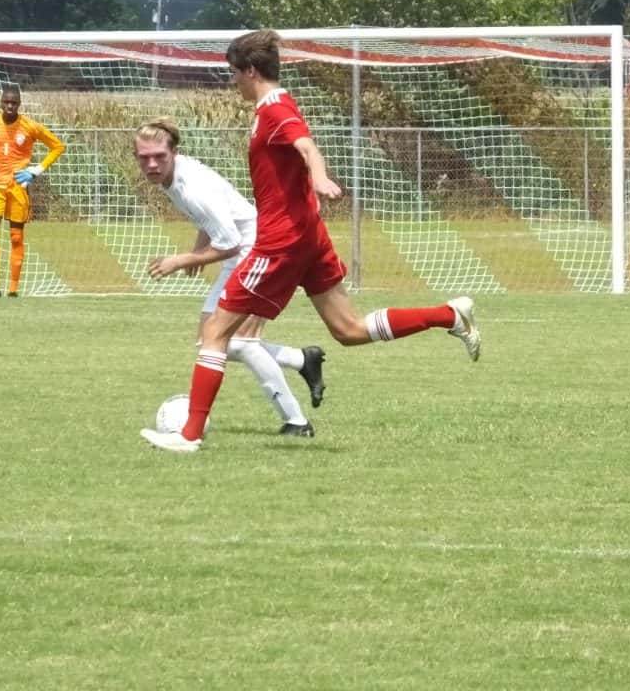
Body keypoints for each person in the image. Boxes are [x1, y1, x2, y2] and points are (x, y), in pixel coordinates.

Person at [140, 30, 480, 453]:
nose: (234, 81)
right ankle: (449, 314)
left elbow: (306, 146)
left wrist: (318, 177)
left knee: (215, 333)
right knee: (349, 330)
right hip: (307, 236)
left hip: (280, 242)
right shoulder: (270, 108)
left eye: (234, 73)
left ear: (250, 71)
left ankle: (188, 436)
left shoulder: (275, 108)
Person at [134, 118, 326, 436]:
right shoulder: (176, 175)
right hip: (242, 251)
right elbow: (210, 220)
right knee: (211, 340)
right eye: (144, 158)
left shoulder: (189, 187)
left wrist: (183, 259)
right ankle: (301, 360)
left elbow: (230, 242)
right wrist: (199, 249)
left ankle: (297, 421)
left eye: (159, 156)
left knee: (238, 342)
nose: (152, 164)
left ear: (174, 153)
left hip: (256, 250)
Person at [0, 84, 65, 297]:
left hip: (18, 186)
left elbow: (57, 146)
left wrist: (35, 171)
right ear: (1, 103)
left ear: (19, 104)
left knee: (16, 237)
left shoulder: (30, 126)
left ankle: (13, 290)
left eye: (14, 102)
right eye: (6, 102)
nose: (10, 106)